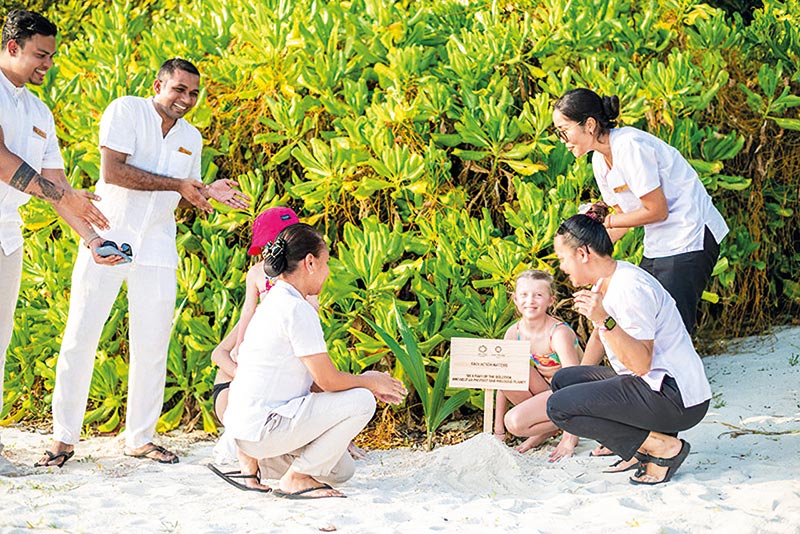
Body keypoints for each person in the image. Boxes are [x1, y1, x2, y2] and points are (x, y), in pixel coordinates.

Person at [37, 58, 249, 468]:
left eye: (193, 93)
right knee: (82, 335)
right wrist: (179, 185)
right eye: (178, 89)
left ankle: (139, 438)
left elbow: (185, 191)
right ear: (158, 84)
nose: (186, 99)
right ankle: (63, 439)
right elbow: (113, 171)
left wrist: (207, 192)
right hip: (107, 233)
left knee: (153, 343)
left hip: (156, 243)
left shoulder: (192, 137)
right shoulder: (126, 110)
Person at [0, 9, 110, 476]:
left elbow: (55, 182)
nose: (47, 64)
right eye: (39, 55)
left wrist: (91, 238)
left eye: (51, 56)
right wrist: (65, 194)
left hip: (7, 235)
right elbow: (3, 162)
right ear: (11, 47)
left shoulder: (38, 110)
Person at [221, 223, 406, 498]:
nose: (328, 271)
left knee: (341, 471)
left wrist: (368, 383)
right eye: (327, 262)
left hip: (244, 431)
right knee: (362, 402)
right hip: (265, 428)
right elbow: (327, 380)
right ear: (310, 262)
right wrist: (369, 383)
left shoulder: (272, 302)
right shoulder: (297, 309)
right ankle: (296, 478)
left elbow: (312, 381)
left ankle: (262, 463)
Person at [547, 208, 712, 485]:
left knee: (559, 408)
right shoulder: (608, 279)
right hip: (652, 386)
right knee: (565, 382)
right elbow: (601, 337)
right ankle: (642, 442)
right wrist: (583, 394)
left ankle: (661, 447)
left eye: (563, 258)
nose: (562, 266)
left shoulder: (629, 288)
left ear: (583, 254)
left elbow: (641, 363)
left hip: (676, 396)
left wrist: (602, 318)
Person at [552, 88, 728, 336]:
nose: (563, 140)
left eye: (564, 130)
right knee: (643, 313)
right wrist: (586, 251)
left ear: (589, 125)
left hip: (691, 235)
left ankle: (680, 376)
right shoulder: (599, 160)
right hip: (659, 242)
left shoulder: (629, 145)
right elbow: (624, 219)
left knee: (671, 327)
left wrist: (606, 219)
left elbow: (657, 211)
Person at [493, 270, 580, 461]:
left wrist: (569, 438)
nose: (530, 301)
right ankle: (547, 427)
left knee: (514, 422)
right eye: (524, 295)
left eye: (538, 295)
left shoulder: (558, 333)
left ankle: (564, 426)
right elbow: (501, 381)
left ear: (551, 300)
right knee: (511, 373)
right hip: (545, 390)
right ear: (515, 299)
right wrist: (498, 431)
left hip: (569, 393)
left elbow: (575, 384)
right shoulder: (513, 332)